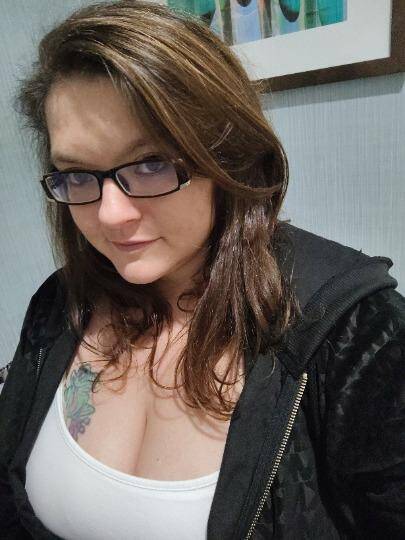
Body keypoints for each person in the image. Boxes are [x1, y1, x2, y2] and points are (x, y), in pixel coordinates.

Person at [0, 1, 404, 539]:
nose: (110, 215)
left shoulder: (360, 336)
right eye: (76, 175)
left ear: (229, 156)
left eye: (151, 164)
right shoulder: (61, 302)